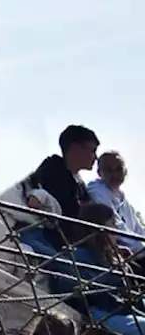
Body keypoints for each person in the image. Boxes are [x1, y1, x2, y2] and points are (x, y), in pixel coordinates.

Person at [43, 202, 145, 335]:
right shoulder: (77, 257)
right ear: (100, 229)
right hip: (98, 314)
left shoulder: (110, 256)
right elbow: (89, 295)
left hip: (121, 308)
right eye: (112, 224)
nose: (116, 230)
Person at [26, 125, 100, 249]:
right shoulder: (52, 169)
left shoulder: (80, 184)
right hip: (53, 242)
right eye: (92, 150)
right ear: (76, 148)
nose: (95, 157)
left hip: (73, 243)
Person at [87, 151, 145, 253]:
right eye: (109, 170)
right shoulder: (97, 190)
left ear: (125, 172)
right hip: (115, 251)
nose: (114, 175)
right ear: (99, 173)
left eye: (118, 169)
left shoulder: (124, 201)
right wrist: (140, 246)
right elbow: (115, 224)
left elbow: (139, 230)